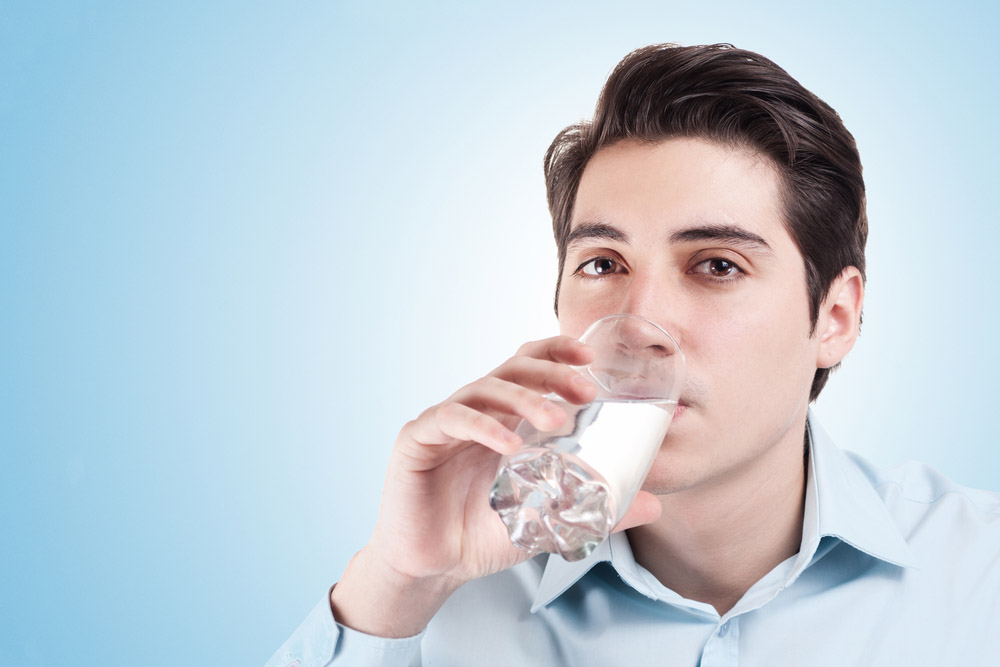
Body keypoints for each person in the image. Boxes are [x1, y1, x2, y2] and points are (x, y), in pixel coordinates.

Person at [267, 43, 1000, 666]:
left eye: (717, 265)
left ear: (835, 317)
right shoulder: (442, 597)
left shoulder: (979, 575)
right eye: (603, 264)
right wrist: (394, 584)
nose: (640, 321)